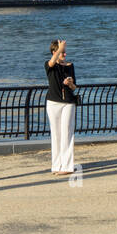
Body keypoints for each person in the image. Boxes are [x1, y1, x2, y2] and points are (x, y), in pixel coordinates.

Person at [45, 39, 78, 175]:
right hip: (53, 102)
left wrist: (70, 83)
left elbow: (75, 86)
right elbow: (52, 62)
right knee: (56, 134)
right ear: (55, 52)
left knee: (67, 133)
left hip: (68, 102)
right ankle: (56, 165)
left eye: (64, 52)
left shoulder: (70, 66)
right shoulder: (49, 65)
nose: (64, 54)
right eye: (62, 52)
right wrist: (59, 48)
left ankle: (67, 166)